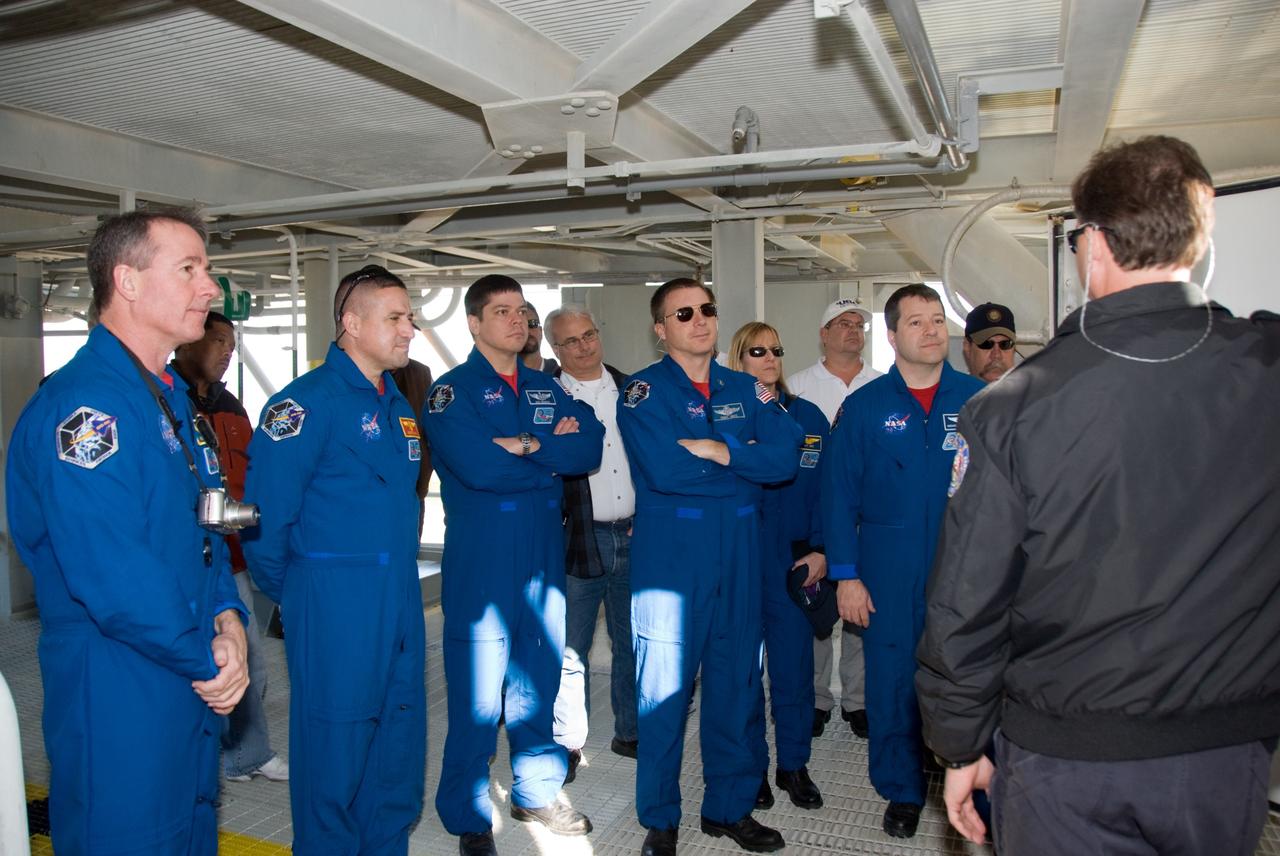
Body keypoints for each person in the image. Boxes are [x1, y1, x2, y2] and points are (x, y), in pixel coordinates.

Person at [917, 135, 1280, 855]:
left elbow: (969, 598)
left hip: (1067, 761)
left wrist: (959, 747)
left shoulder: (1013, 406)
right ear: (1197, 243)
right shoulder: (1265, 367)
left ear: (1092, 245)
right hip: (1226, 751)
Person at [6, 208, 249, 855]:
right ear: (129, 281)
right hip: (119, 677)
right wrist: (208, 659)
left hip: (185, 662)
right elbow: (112, 574)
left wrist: (229, 619)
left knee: (190, 831)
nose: (211, 288)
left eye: (208, 269)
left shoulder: (166, 395)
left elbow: (205, 522)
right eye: (190, 269)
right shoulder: (85, 410)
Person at [242, 263, 426, 855]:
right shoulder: (302, 406)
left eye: (411, 318)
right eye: (395, 318)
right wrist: (306, 598)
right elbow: (265, 527)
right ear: (351, 323)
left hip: (397, 598)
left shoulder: (397, 403)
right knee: (335, 748)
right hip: (334, 605)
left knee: (396, 739)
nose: (409, 329)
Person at [618, 278, 801, 856]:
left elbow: (788, 452)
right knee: (663, 694)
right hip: (673, 564)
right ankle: (660, 819)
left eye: (707, 309)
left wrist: (723, 450)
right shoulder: (643, 394)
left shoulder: (747, 387)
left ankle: (729, 808)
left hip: (739, 558)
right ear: (661, 329)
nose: (699, 319)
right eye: (683, 312)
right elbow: (667, 471)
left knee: (736, 687)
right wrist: (747, 460)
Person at [424, 275, 603, 856]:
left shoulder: (546, 387)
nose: (516, 321)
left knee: (539, 680)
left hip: (543, 558)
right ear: (474, 324)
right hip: (485, 561)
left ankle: (536, 790)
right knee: (478, 696)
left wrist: (521, 445)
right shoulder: (453, 392)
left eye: (522, 311)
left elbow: (588, 447)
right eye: (501, 311)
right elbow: (478, 468)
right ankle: (469, 813)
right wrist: (545, 451)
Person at [822, 283, 983, 839]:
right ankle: (903, 789)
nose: (932, 330)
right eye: (916, 322)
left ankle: (972, 777)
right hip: (886, 569)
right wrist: (846, 575)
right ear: (891, 336)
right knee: (892, 682)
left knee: (969, 677)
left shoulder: (977, 399)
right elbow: (838, 498)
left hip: (964, 568)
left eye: (937, 319)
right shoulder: (864, 408)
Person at [172, 311, 289, 784]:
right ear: (186, 343)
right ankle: (217, 756)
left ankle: (244, 753)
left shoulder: (233, 408)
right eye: (218, 340)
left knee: (248, 661)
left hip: (228, 559)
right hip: (181, 564)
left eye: (232, 344)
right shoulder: (167, 404)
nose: (227, 351)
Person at [727, 322, 828, 812]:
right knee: (743, 675)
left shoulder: (808, 416)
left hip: (792, 561)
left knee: (793, 669)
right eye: (757, 351)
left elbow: (831, 491)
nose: (769, 358)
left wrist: (824, 550)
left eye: (776, 350)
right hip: (741, 559)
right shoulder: (722, 417)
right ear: (738, 359)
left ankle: (793, 764)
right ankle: (752, 770)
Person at [543, 304, 638, 782]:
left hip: (633, 532)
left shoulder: (633, 389)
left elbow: (654, 458)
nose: (584, 346)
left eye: (589, 334)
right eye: (571, 341)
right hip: (578, 536)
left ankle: (631, 732)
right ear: (554, 349)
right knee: (570, 650)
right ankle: (568, 744)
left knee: (631, 642)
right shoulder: (546, 398)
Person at [786, 298, 881, 739]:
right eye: (842, 323)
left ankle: (859, 700)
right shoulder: (798, 387)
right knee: (818, 612)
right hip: (817, 520)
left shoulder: (881, 387)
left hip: (870, 518)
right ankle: (818, 698)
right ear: (823, 333)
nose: (852, 330)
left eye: (858, 323)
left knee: (862, 610)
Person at [389, 320, 435, 536]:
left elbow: (432, 434)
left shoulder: (419, 374)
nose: (408, 335)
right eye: (395, 326)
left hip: (414, 496)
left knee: (408, 560)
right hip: (369, 506)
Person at [960, 302, 1017, 383]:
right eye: (986, 344)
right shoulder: (950, 395)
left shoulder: (1034, 394)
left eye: (1005, 344)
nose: (996, 355)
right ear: (968, 347)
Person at [520, 302, 559, 374]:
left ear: (541, 331)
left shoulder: (561, 377)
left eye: (532, 323)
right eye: (521, 326)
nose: (528, 331)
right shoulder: (499, 379)